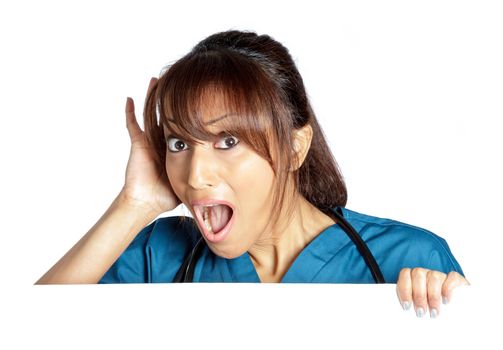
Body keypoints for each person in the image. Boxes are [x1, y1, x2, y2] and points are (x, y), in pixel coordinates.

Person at [36, 30, 469, 318]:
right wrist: (135, 205)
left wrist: (454, 314)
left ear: (295, 147)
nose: (196, 174)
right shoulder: (157, 259)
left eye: (227, 141)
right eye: (179, 143)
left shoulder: (411, 261)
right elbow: (33, 332)